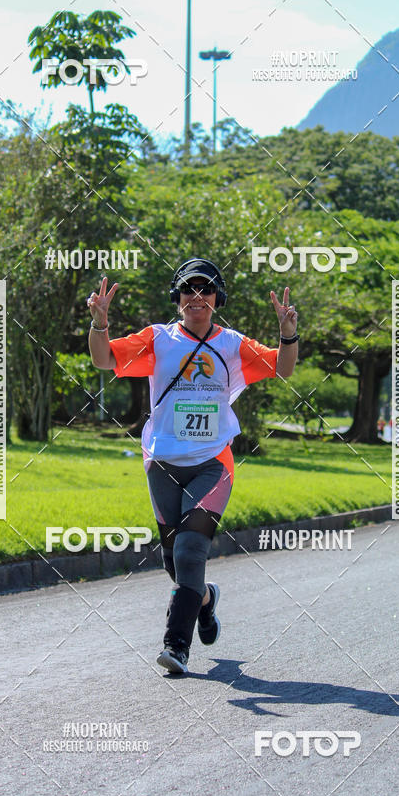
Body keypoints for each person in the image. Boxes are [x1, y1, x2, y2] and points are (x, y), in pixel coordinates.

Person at [87, 259, 298, 674]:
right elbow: (103, 360)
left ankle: (176, 647)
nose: (195, 297)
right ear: (177, 298)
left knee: (189, 550)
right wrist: (100, 324)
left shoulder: (233, 345)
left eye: (204, 290)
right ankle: (204, 600)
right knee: (173, 560)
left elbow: (283, 367)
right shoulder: (158, 339)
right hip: (162, 462)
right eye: (187, 290)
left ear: (217, 299)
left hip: (211, 464)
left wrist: (288, 334)